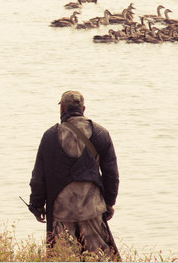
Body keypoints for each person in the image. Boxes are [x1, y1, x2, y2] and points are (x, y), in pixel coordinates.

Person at [28, 90, 120, 259]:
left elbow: (38, 178)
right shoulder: (101, 134)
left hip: (61, 211)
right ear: (83, 109)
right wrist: (109, 203)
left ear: (62, 109)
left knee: (63, 258)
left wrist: (37, 205)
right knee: (100, 257)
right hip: (92, 208)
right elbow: (111, 175)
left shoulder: (50, 136)